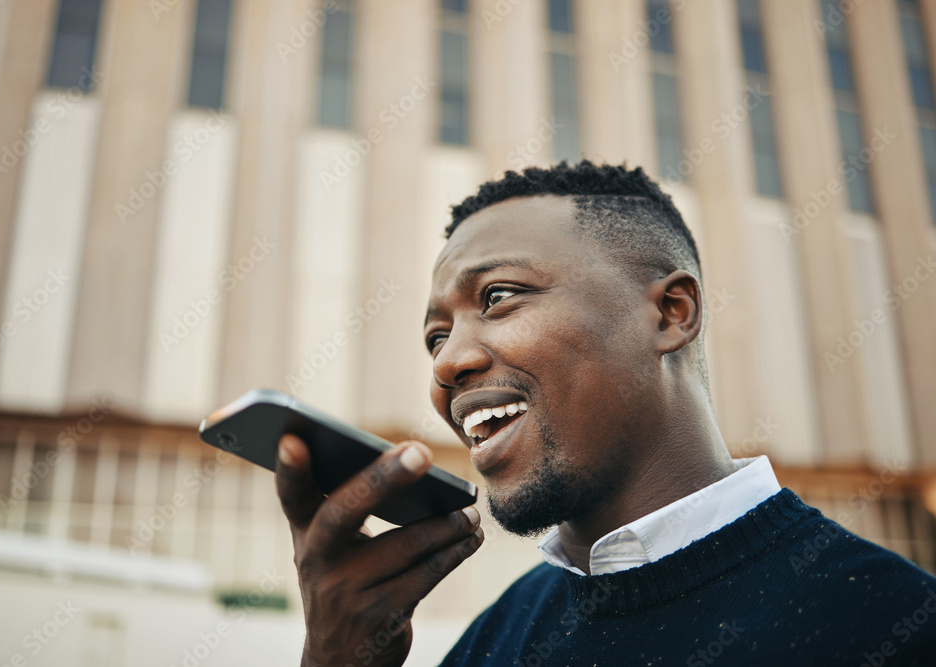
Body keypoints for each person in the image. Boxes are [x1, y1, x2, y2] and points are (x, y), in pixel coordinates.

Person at [275, 161, 936, 666]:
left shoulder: (898, 622)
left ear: (670, 313)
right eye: (436, 336)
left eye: (500, 296)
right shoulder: (493, 641)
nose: (447, 364)